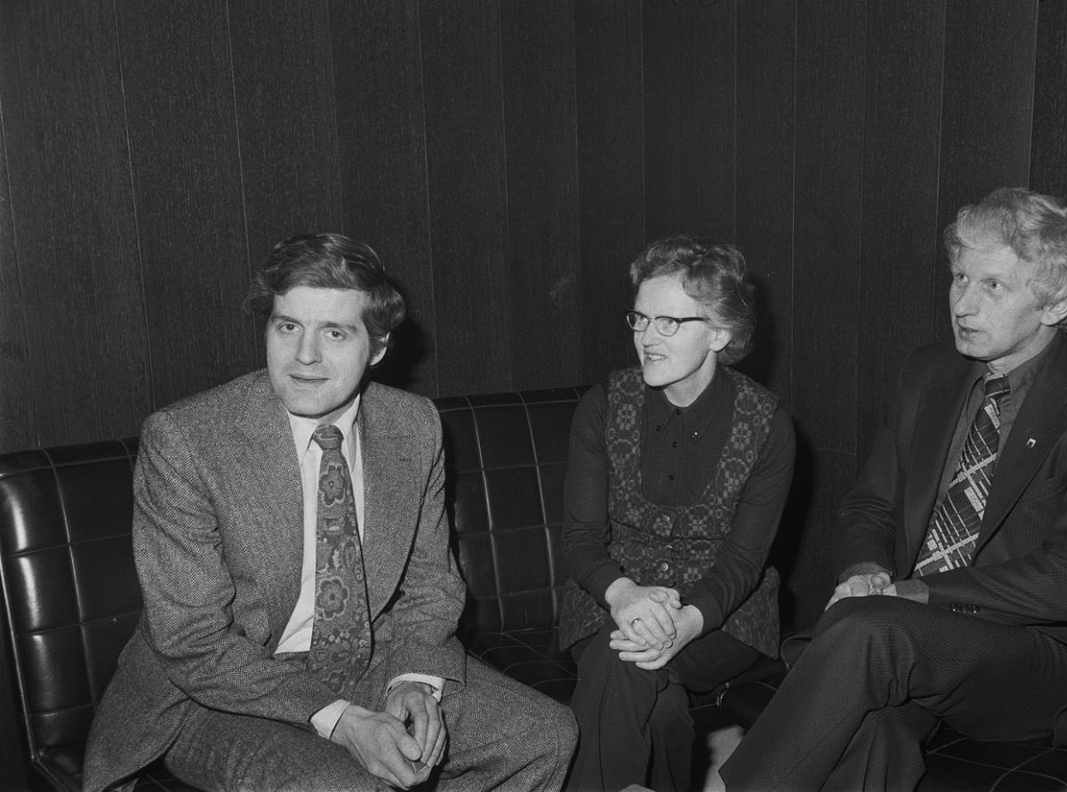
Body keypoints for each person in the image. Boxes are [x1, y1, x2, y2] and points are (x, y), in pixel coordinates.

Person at [83, 233, 576, 792]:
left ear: (378, 347)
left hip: (367, 661)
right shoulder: (188, 440)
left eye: (335, 333)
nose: (305, 356)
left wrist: (414, 680)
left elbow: (430, 584)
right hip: (218, 693)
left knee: (543, 736)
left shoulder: (413, 427)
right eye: (288, 327)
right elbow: (192, 641)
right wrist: (342, 719)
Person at [720, 187, 1067, 791]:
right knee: (870, 727)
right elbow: (870, 506)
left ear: (1057, 301)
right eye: (960, 277)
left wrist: (912, 594)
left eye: (993, 285)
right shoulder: (928, 373)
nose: (963, 303)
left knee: (871, 630)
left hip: (1043, 655)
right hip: (907, 641)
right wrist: (866, 572)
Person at [560, 236, 796, 792]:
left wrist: (685, 624)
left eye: (669, 323)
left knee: (622, 664)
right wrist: (624, 595)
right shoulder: (603, 405)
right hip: (608, 600)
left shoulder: (768, 425)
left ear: (720, 333)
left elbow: (743, 562)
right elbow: (581, 538)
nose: (646, 338)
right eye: (640, 319)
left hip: (724, 617)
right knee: (654, 699)